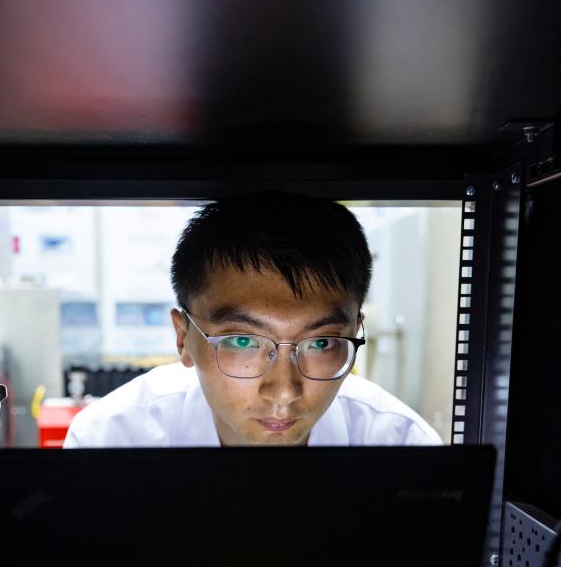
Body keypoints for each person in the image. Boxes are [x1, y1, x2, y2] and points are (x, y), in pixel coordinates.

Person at [63, 191, 441, 448]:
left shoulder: (398, 446)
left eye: (321, 343)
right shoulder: (113, 441)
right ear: (183, 338)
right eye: (243, 341)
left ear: (355, 333)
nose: (283, 392)